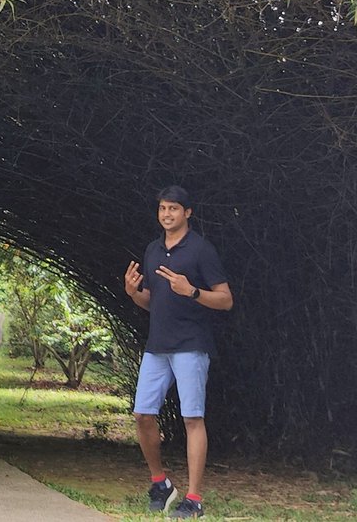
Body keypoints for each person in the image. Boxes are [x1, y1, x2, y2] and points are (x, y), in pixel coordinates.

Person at [123, 185, 233, 519]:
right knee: (142, 414)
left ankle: (194, 498)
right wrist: (131, 293)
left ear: (187, 213)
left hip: (191, 345)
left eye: (173, 208)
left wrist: (192, 291)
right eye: (162, 209)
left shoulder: (201, 250)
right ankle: (160, 483)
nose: (167, 214)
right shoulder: (152, 250)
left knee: (192, 418)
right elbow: (153, 303)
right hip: (157, 345)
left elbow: (225, 300)